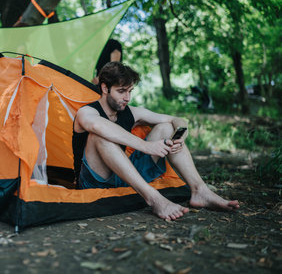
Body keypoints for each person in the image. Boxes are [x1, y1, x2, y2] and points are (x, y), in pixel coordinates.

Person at [72, 62, 239, 220]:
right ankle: (154, 199)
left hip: (122, 176)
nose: (127, 97)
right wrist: (146, 146)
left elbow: (176, 119)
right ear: (105, 88)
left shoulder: (131, 112)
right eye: (121, 91)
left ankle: (200, 190)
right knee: (100, 135)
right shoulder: (86, 112)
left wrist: (181, 136)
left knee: (166, 128)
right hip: (94, 182)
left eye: (130, 91)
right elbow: (96, 125)